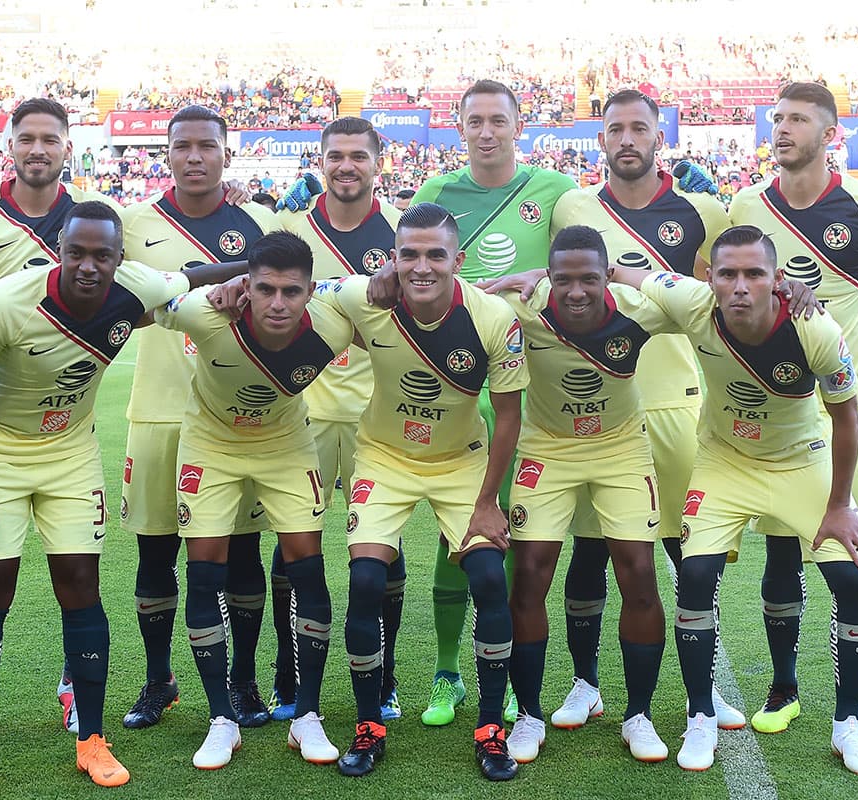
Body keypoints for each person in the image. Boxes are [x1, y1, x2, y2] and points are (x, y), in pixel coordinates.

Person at [0, 201, 241, 797]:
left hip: (70, 453)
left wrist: (247, 272)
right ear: (59, 251)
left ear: (119, 259)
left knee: (80, 584)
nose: (88, 266)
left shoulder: (136, 287)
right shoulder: (4, 303)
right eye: (76, 252)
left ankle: (92, 741)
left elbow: (195, 275)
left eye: (103, 255)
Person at [614, 225, 858, 775]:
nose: (739, 285)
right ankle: (700, 716)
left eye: (753, 274)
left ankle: (848, 725)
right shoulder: (692, 304)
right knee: (694, 575)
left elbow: (847, 419)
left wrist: (839, 506)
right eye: (727, 273)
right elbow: (620, 274)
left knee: (852, 579)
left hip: (801, 462)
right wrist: (540, 276)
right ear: (708, 278)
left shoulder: (815, 330)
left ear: (777, 281)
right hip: (723, 462)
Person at [729, 82, 858, 741]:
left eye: (797, 120)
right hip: (785, 410)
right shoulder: (746, 205)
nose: (782, 128)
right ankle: (785, 686)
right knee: (783, 549)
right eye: (778, 118)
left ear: (829, 133)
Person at [544, 89, 745, 730]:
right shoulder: (573, 206)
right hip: (602, 409)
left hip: (680, 402)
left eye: (639, 128)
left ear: (660, 136)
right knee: (592, 549)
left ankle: (702, 690)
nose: (626, 139)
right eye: (614, 129)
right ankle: (585, 684)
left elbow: (733, 290)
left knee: (690, 553)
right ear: (600, 139)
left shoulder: (700, 208)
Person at [0, 98, 121, 739]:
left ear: (68, 147)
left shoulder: (89, 220)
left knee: (75, 570)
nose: (38, 149)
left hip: (64, 419)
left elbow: (168, 262)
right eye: (27, 138)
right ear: (9, 144)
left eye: (51, 139)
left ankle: (74, 686)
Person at [318, 203, 528, 780]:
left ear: (458, 261)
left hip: (461, 464)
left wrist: (487, 502)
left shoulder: (492, 317)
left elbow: (507, 418)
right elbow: (308, 286)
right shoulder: (365, 297)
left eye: (436, 254)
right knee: (364, 581)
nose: (422, 266)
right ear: (392, 258)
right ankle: (369, 724)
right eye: (408, 254)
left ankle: (489, 727)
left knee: (487, 577)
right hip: (385, 457)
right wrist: (235, 282)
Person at [152, 232, 353, 770]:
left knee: (307, 572)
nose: (278, 304)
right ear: (249, 287)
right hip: (209, 447)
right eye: (264, 289)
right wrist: (222, 276)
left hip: (286, 447)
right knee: (204, 576)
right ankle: (221, 719)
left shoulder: (335, 319)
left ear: (311, 290)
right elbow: (154, 298)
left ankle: (306, 716)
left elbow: (391, 287)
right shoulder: (204, 313)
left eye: (292, 291)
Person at [410, 79, 576, 727]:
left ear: (517, 126)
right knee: (457, 536)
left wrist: (543, 275)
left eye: (497, 120)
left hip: (526, 390)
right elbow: (417, 278)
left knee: (505, 532)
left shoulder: (555, 192)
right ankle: (448, 671)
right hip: (454, 386)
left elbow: (585, 263)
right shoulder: (434, 195)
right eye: (474, 121)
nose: (486, 131)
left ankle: (500, 670)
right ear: (460, 128)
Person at [118, 105, 279, 732]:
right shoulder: (134, 224)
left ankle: (242, 682)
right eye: (181, 146)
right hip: (158, 412)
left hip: (240, 414)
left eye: (206, 146)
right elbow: (125, 297)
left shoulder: (258, 221)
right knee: (156, 555)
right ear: (166, 153)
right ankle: (159, 681)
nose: (193, 157)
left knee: (240, 555)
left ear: (226, 153)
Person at [497, 226, 672, 765]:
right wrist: (512, 278)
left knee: (638, 573)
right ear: (549, 277)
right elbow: (451, 294)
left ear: (607, 277)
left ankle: (638, 715)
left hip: (621, 449)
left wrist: (788, 288)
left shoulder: (639, 311)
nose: (576, 292)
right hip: (547, 448)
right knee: (529, 572)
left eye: (590, 279)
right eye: (564, 279)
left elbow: (702, 295)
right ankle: (527, 714)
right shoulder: (526, 309)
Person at [271, 117, 405, 722]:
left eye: (358, 156)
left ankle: (387, 676)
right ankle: (287, 674)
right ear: (320, 161)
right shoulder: (291, 228)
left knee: (381, 552)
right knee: (294, 548)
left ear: (378, 162)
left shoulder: (404, 232)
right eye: (335, 156)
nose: (346, 165)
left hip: (382, 414)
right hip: (304, 411)